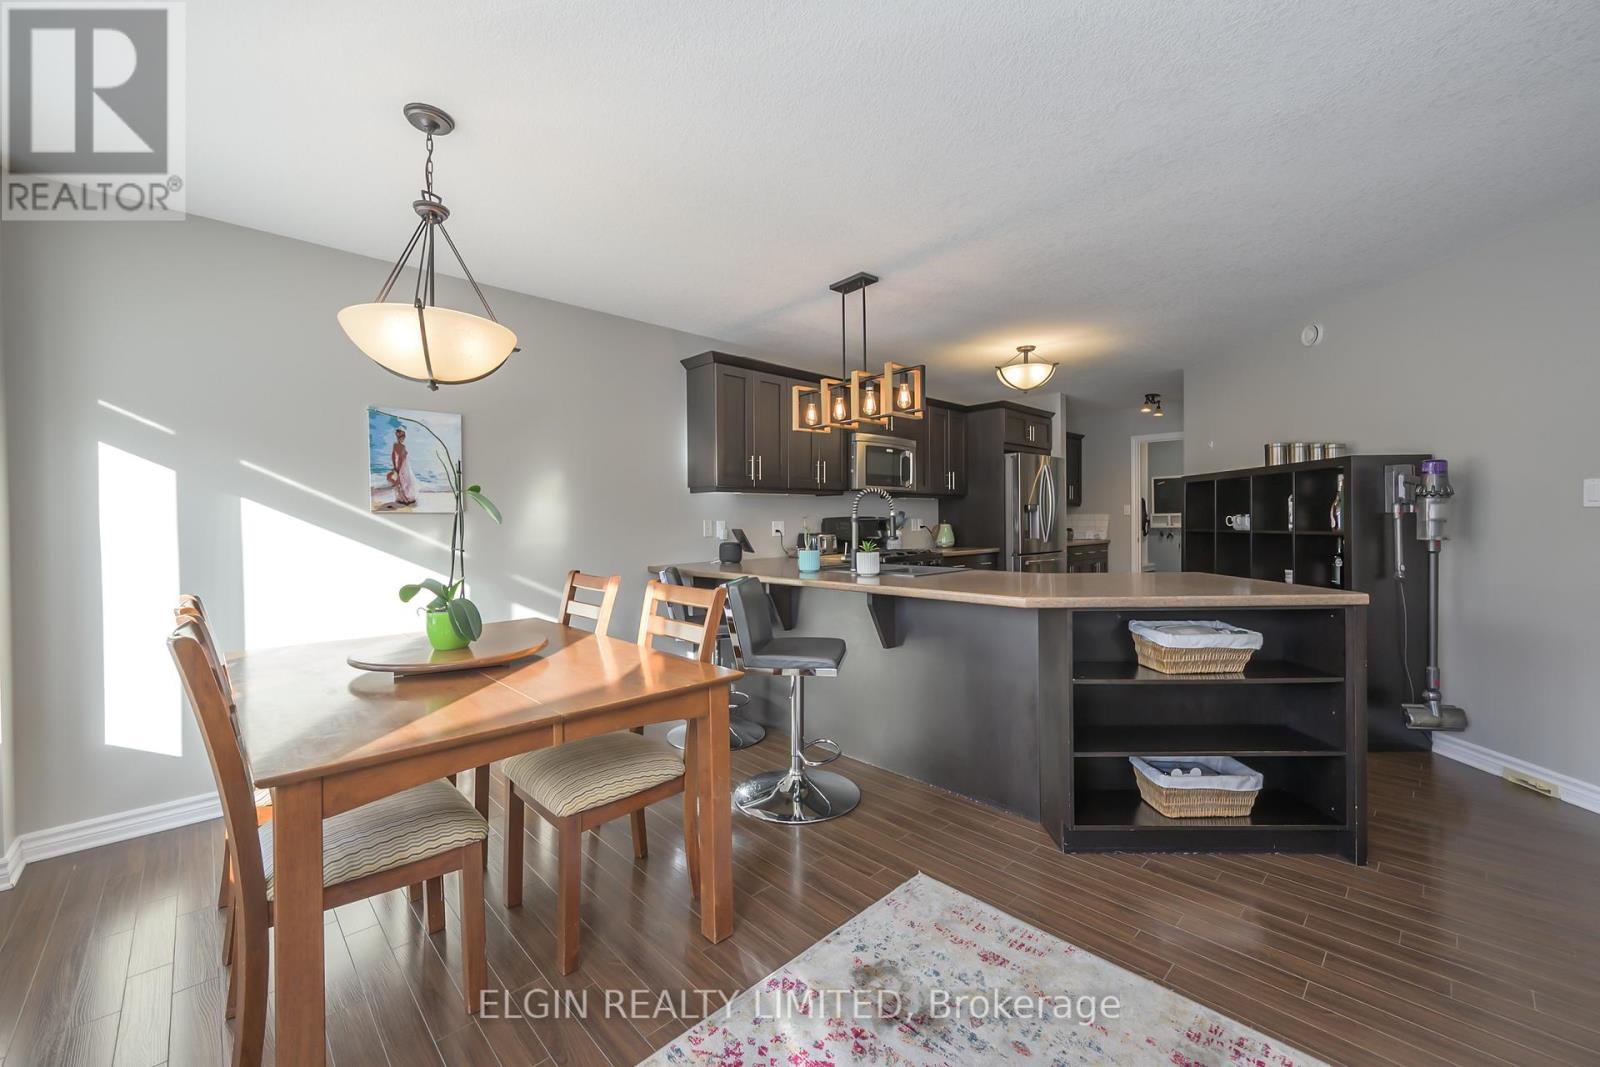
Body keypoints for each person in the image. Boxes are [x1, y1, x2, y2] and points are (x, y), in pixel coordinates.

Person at [387, 427, 418, 507]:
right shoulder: (402, 446)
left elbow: (393, 456)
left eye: (404, 438)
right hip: (404, 465)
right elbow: (401, 458)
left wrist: (395, 466)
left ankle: (402, 498)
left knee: (402, 481)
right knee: (406, 481)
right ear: (400, 438)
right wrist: (399, 468)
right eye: (403, 438)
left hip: (400, 465)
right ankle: (405, 498)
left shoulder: (395, 445)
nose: (404, 439)